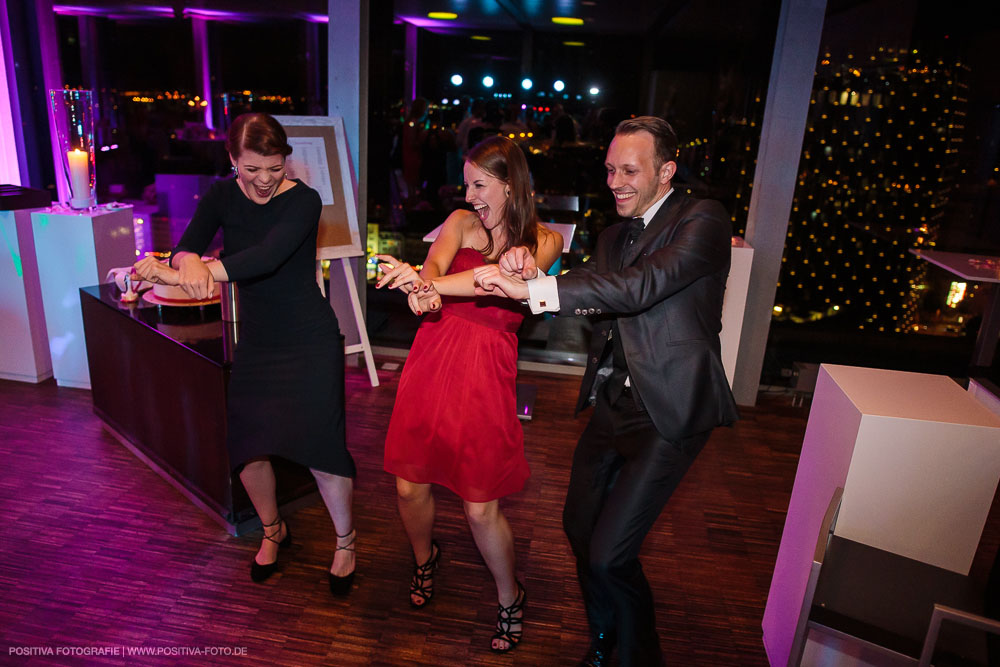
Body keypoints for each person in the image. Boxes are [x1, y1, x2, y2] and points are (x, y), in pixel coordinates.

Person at [474, 116, 739, 666]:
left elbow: (639, 286)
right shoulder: (614, 234)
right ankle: (604, 637)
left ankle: (638, 658)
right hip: (613, 403)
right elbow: (596, 291)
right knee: (580, 529)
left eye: (629, 170)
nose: (615, 180)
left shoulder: (703, 219)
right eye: (610, 169)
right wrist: (527, 269)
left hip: (670, 411)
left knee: (610, 555)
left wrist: (537, 287)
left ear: (666, 171)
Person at [133, 112, 358, 596]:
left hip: (308, 340)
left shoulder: (304, 200)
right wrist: (186, 259)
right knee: (249, 447)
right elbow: (188, 244)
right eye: (251, 168)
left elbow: (266, 257)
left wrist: (182, 274)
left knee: (322, 449)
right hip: (257, 341)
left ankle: (346, 541)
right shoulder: (220, 195)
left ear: (285, 162)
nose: (262, 179)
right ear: (232, 159)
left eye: (273, 167)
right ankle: (274, 530)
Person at [374, 136, 562, 652]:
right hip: (433, 357)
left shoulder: (543, 242)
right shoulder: (459, 222)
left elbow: (492, 283)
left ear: (509, 184)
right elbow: (434, 275)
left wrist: (427, 284)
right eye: (467, 182)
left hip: (485, 371)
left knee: (481, 506)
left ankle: (510, 595)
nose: (470, 192)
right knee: (410, 486)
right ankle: (424, 560)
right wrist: (421, 287)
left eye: (480, 183)